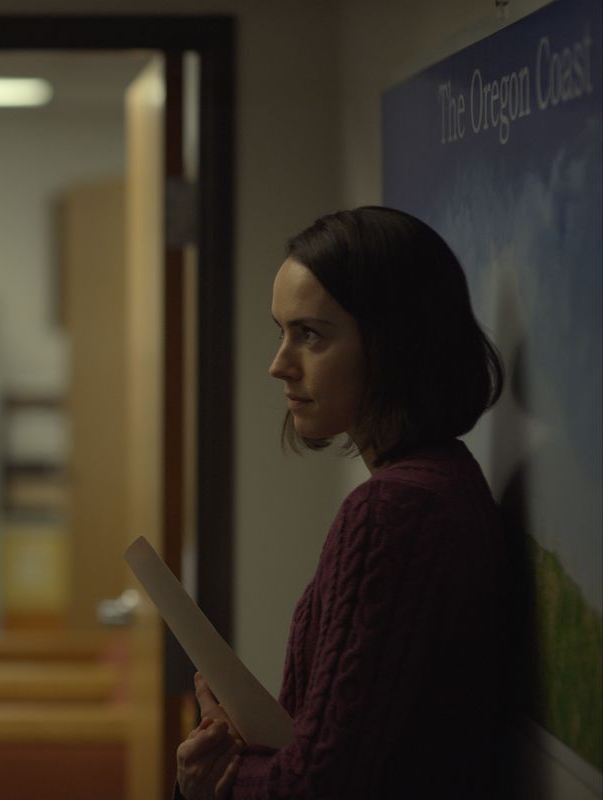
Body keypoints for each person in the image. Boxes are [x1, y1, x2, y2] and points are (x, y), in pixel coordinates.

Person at [175, 206, 524, 799]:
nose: (279, 364)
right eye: (280, 331)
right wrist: (246, 747)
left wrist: (218, 785)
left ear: (395, 343)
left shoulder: (394, 508)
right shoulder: (440, 480)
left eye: (310, 334)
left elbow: (317, 786)